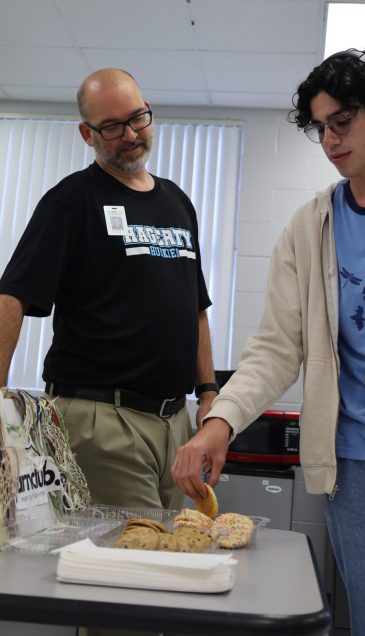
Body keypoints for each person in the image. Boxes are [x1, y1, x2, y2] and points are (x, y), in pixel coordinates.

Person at [172, 49, 365, 636]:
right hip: (351, 470)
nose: (331, 139)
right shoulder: (309, 227)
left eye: (343, 120)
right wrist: (220, 422)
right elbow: (276, 347)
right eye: (320, 127)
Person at [0, 68, 219, 511]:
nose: (131, 134)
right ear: (87, 133)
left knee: (175, 552)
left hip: (175, 421)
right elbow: (12, 296)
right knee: (133, 564)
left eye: (138, 118)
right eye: (113, 126)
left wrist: (209, 394)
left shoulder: (177, 202)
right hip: (102, 418)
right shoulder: (71, 200)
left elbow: (195, 308)